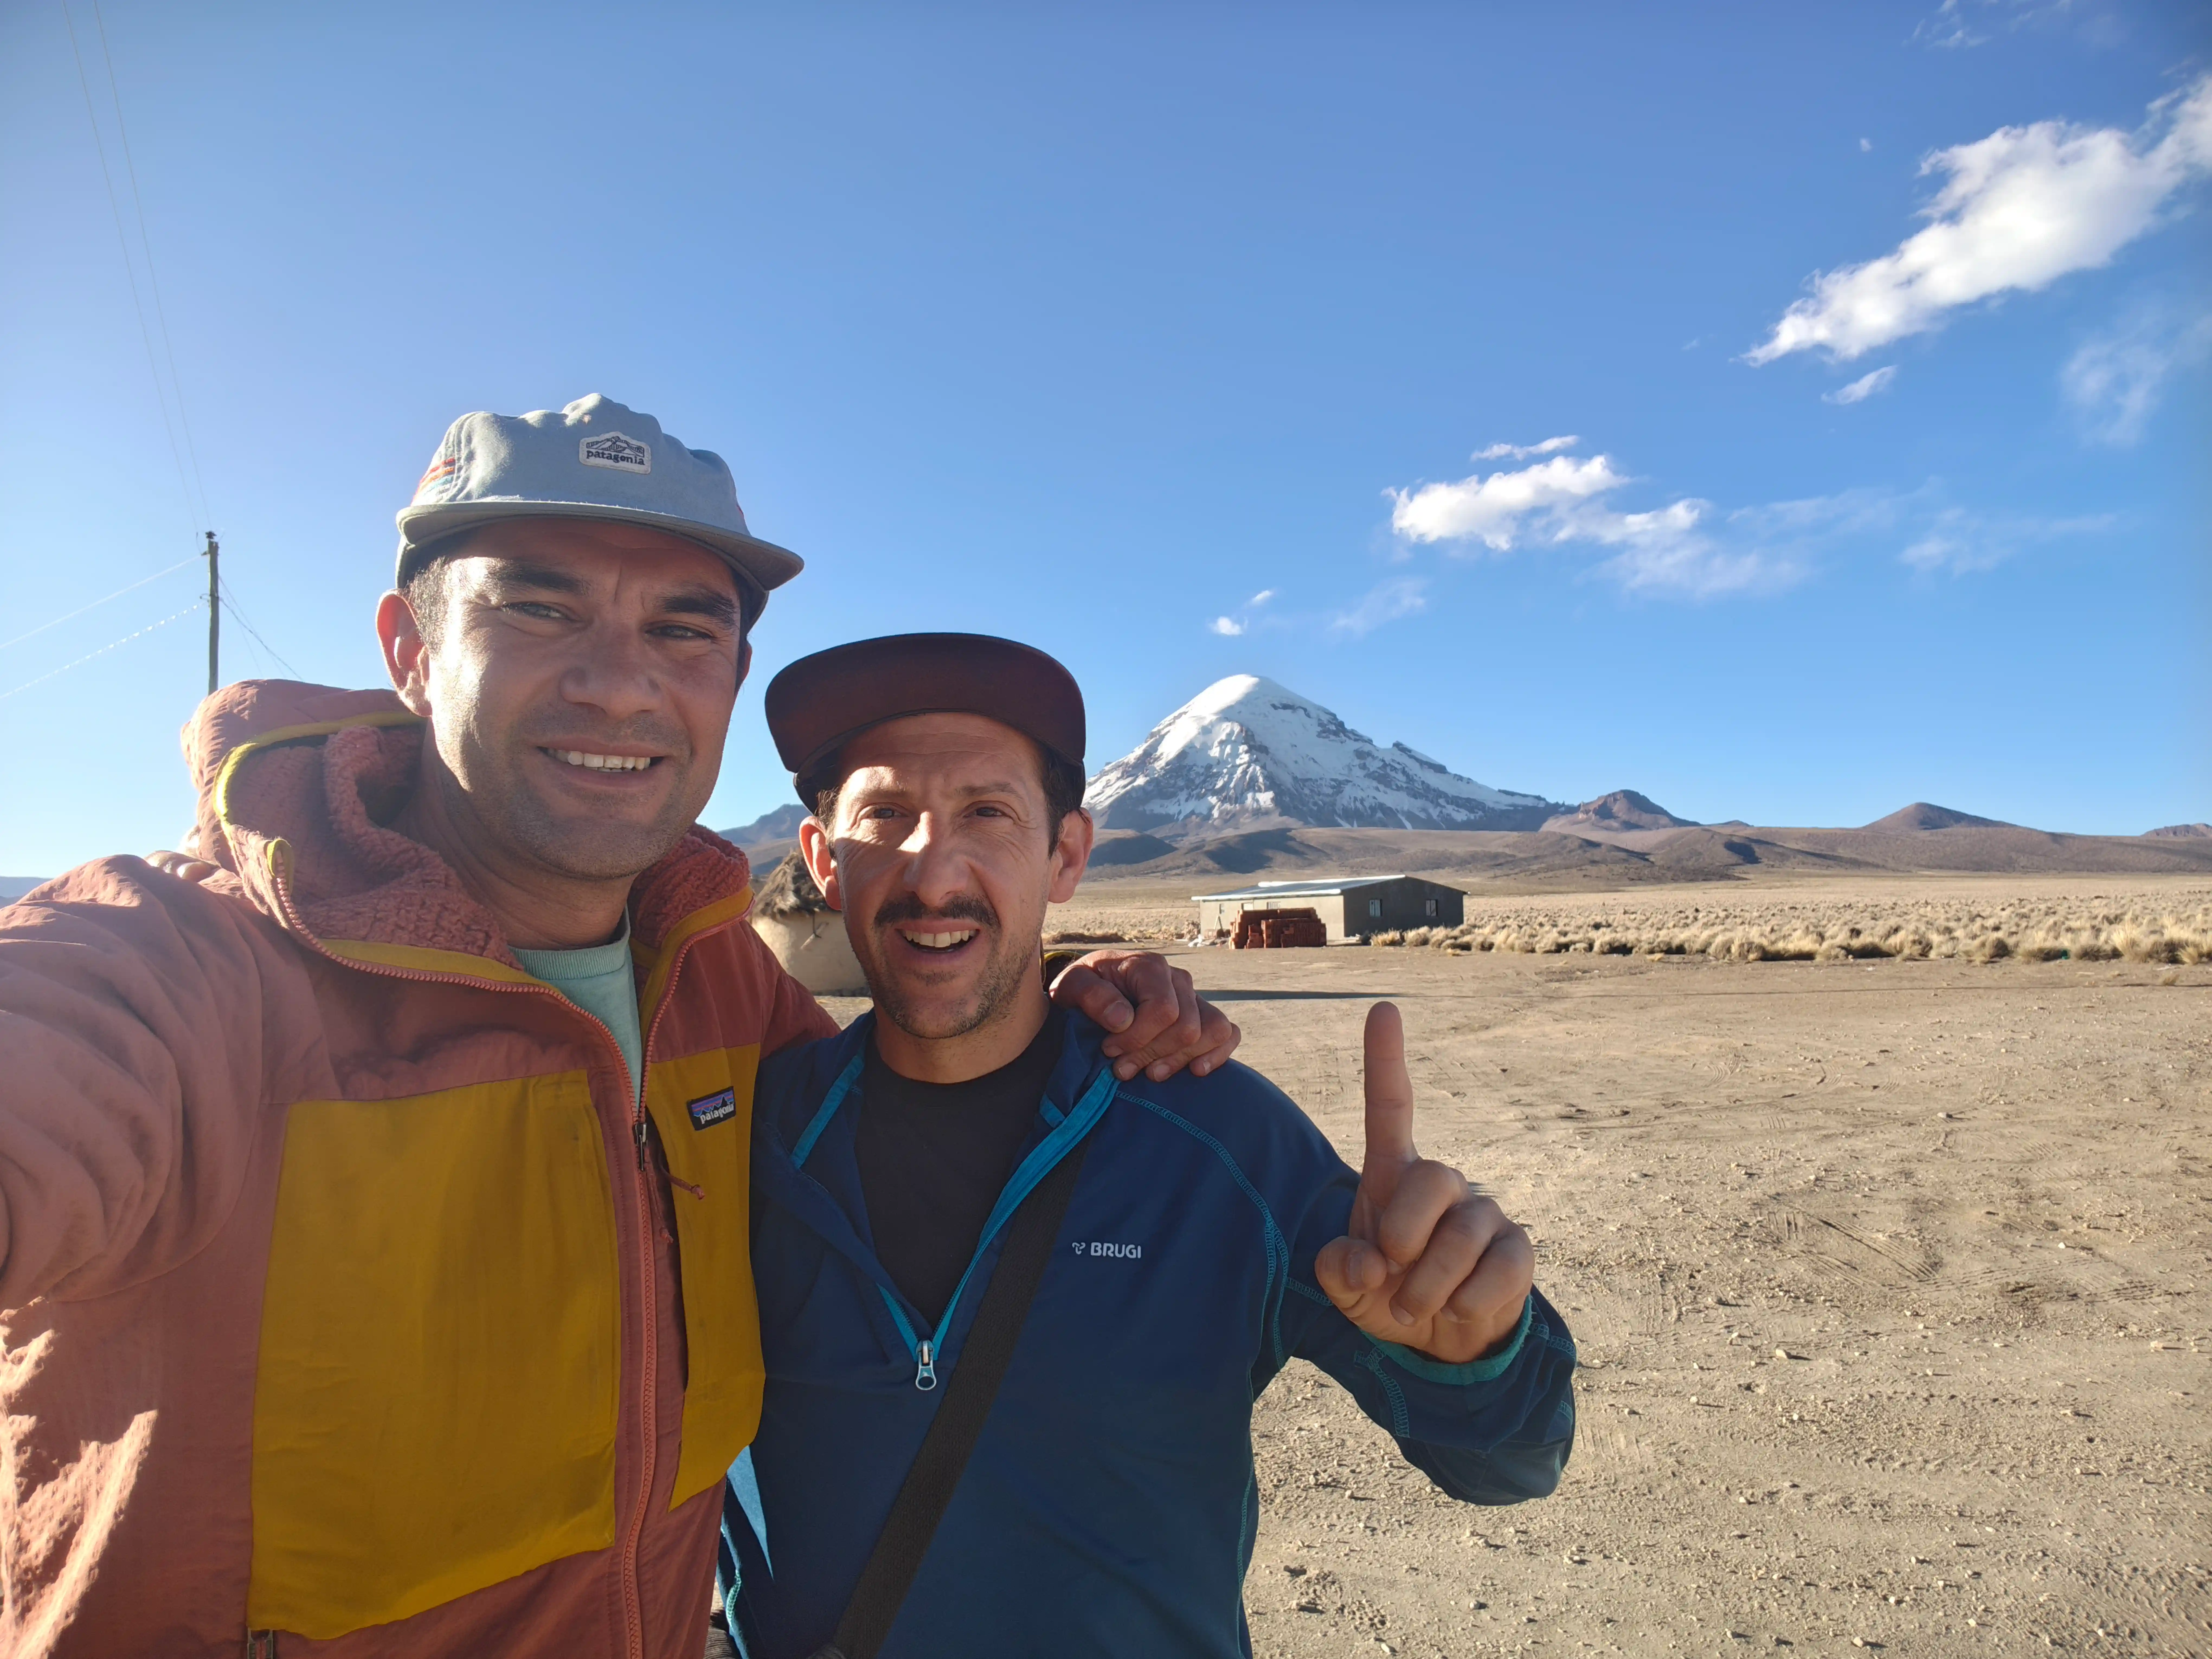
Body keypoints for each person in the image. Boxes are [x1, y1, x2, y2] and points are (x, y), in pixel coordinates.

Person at [0, 397, 1235, 1659]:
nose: (621, 684)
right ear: (411, 651)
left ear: (731, 682)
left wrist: (1081, 993)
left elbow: (927, 1070)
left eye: (683, 627)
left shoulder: (721, 990)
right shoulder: (180, 975)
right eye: (537, 609)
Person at [724, 634, 1577, 1658]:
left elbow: (1513, 1463)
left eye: (988, 814)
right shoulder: (751, 1141)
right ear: (824, 862)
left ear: (1067, 856)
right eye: (885, 816)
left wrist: (1476, 1349)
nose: (932, 870)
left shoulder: (1218, 1141)